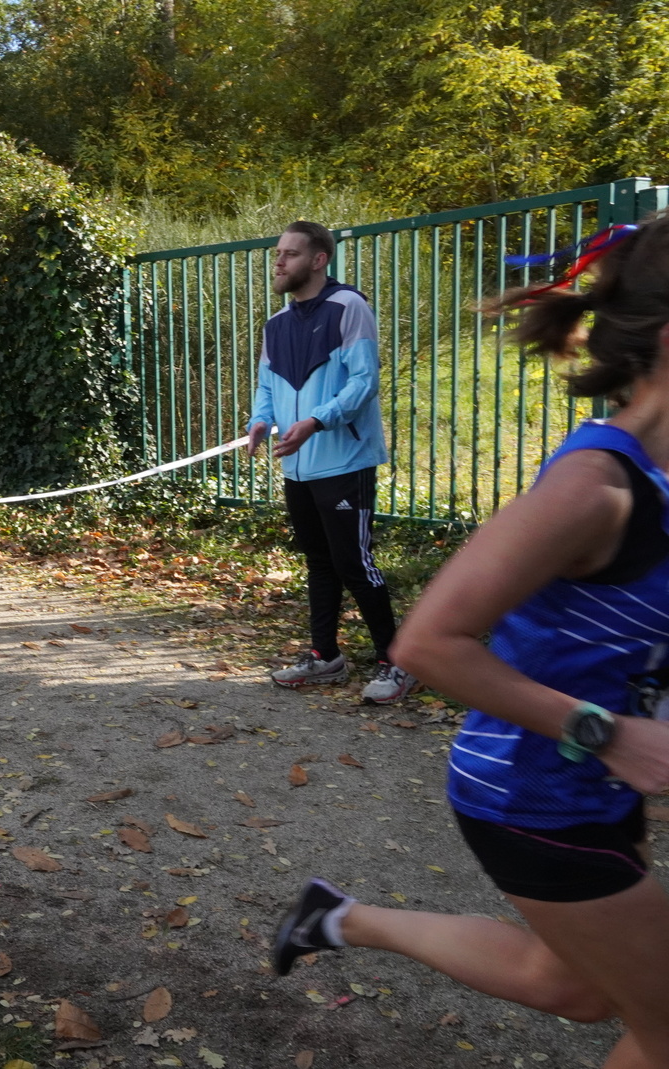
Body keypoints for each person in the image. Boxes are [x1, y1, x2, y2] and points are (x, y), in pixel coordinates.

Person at [271, 219, 669, 1067]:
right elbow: (429, 641)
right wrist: (609, 732)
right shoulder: (597, 486)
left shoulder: (658, 477)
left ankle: (336, 918)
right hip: (534, 792)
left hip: (593, 787)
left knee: (577, 989)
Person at [246, 220, 416, 704]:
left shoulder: (349, 307)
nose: (279, 262)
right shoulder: (276, 325)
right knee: (319, 562)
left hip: (345, 461)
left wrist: (317, 421)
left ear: (319, 260)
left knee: (354, 563)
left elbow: (364, 382)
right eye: (278, 254)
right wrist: (260, 420)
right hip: (297, 466)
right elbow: (266, 386)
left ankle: (398, 662)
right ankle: (325, 656)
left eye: (291, 254)